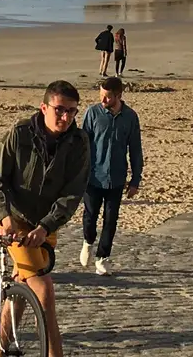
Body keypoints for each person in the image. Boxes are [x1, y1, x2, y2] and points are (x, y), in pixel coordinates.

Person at [0, 80, 90, 357]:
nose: (66, 117)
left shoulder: (79, 142)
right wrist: (4, 217)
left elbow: (73, 193)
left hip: (47, 225)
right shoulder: (20, 133)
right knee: (44, 292)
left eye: (72, 111)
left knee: (21, 290)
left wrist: (46, 226)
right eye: (60, 110)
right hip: (15, 221)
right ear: (44, 107)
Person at [79, 76, 143, 276]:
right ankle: (88, 242)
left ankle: (102, 258)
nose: (103, 100)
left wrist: (135, 180)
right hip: (93, 177)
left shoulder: (130, 117)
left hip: (116, 178)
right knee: (90, 217)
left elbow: (135, 149)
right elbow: (82, 145)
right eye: (101, 96)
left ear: (118, 95)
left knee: (111, 220)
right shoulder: (92, 113)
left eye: (107, 97)